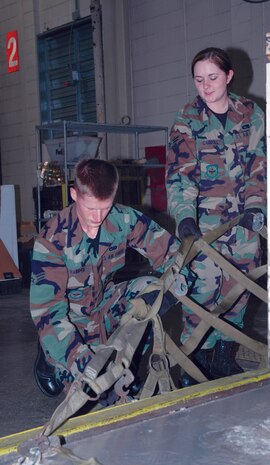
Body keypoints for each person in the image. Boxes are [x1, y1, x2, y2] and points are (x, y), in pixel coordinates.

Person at [30, 158, 182, 399]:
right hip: (70, 319)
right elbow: (48, 312)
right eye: (90, 208)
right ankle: (50, 360)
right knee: (91, 391)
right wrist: (84, 362)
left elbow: (169, 251)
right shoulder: (51, 240)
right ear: (73, 194)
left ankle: (127, 362)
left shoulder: (123, 218)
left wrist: (177, 282)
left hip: (104, 304)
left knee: (153, 290)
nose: (98, 217)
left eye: (106, 207)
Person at [166, 47, 267, 383]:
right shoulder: (186, 120)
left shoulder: (251, 113)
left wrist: (256, 206)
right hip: (204, 225)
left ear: (228, 76)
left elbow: (259, 167)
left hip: (243, 224)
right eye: (199, 79)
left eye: (212, 78)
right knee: (201, 294)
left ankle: (224, 357)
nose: (206, 86)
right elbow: (181, 175)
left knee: (237, 291)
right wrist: (184, 218)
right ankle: (193, 365)